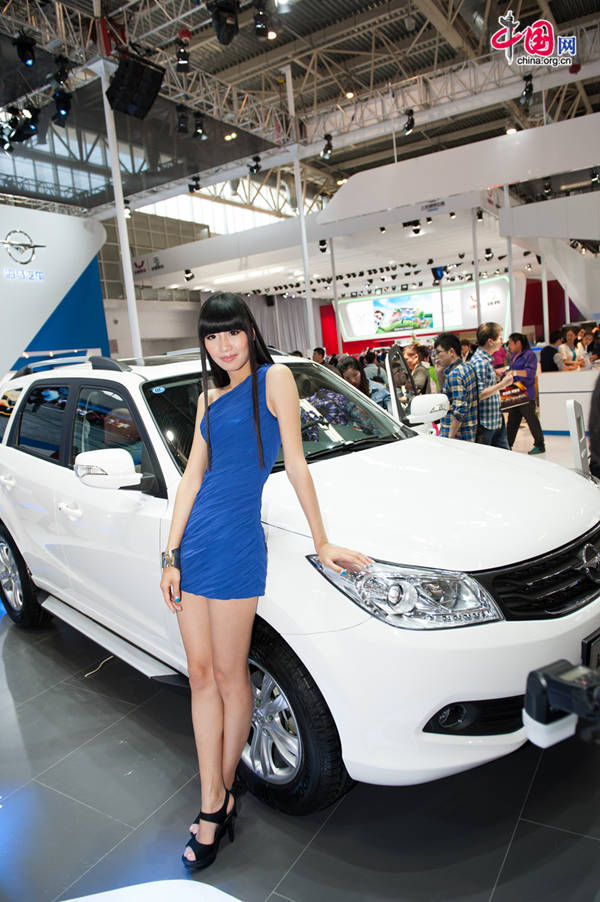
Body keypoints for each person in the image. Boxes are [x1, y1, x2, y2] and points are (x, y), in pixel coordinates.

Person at [159, 293, 373, 871]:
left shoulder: (276, 380)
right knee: (201, 675)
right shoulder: (207, 399)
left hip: (237, 548)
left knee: (232, 676)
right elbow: (190, 479)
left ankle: (217, 799)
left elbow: (297, 465)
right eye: (212, 336)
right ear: (203, 344)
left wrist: (322, 540)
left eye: (232, 332)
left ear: (250, 331)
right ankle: (215, 796)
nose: (223, 345)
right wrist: (170, 553)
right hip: (197, 543)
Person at [470, 322, 514, 449]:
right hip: (486, 423)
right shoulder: (480, 362)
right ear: (490, 341)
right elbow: (479, 394)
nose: (502, 341)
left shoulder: (486, 360)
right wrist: (502, 384)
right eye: (500, 338)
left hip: (494, 419)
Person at [505, 332, 545, 455]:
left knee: (531, 419)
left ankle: (540, 444)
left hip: (526, 392)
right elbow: (512, 370)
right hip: (514, 391)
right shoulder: (514, 356)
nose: (509, 347)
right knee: (512, 420)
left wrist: (514, 372)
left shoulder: (529, 355)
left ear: (518, 343)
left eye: (511, 343)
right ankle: (507, 445)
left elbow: (530, 373)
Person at [433, 333, 478, 441]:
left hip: (458, 435)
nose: (436, 356)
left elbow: (460, 409)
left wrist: (451, 436)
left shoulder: (455, 374)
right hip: (469, 431)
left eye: (438, 352)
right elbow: (448, 397)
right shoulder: (467, 367)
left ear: (451, 352)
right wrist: (439, 373)